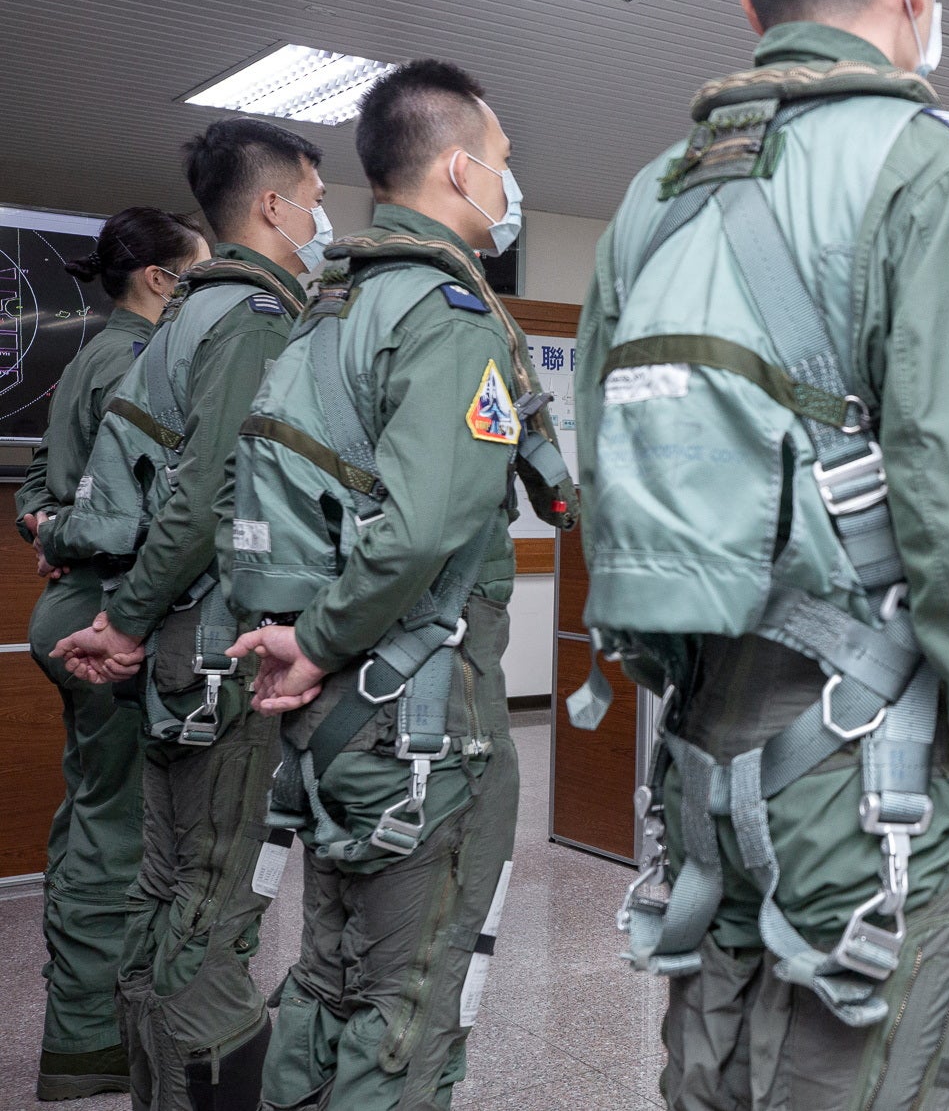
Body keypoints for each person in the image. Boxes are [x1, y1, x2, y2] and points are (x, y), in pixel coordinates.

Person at [573, 0, 949, 1106]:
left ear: (753, 2)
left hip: (698, 750)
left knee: (711, 1077)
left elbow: (601, 471)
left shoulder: (650, 198)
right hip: (872, 774)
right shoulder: (932, 173)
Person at [219, 59, 573, 1111]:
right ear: (461, 169)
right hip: (419, 716)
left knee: (329, 979)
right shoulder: (451, 315)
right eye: (503, 162)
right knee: (406, 1005)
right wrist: (325, 638)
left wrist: (311, 645)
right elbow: (423, 524)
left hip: (336, 716)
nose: (509, 183)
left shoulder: (329, 310)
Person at [52, 118, 326, 1110]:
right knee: (214, 901)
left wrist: (133, 618)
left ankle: (155, 1089)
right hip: (220, 648)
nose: (320, 216)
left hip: (181, 648)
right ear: (273, 204)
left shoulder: (184, 315)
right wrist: (126, 620)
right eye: (313, 192)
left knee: (166, 885)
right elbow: (214, 497)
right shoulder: (254, 314)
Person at [16, 206, 207, 1101]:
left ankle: (82, 1025)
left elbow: (33, 486)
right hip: (108, 611)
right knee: (118, 833)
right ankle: (89, 1045)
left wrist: (46, 521)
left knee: (89, 811)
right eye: (200, 274)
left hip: (70, 603)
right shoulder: (144, 360)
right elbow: (155, 508)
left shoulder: (87, 356)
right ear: (163, 279)